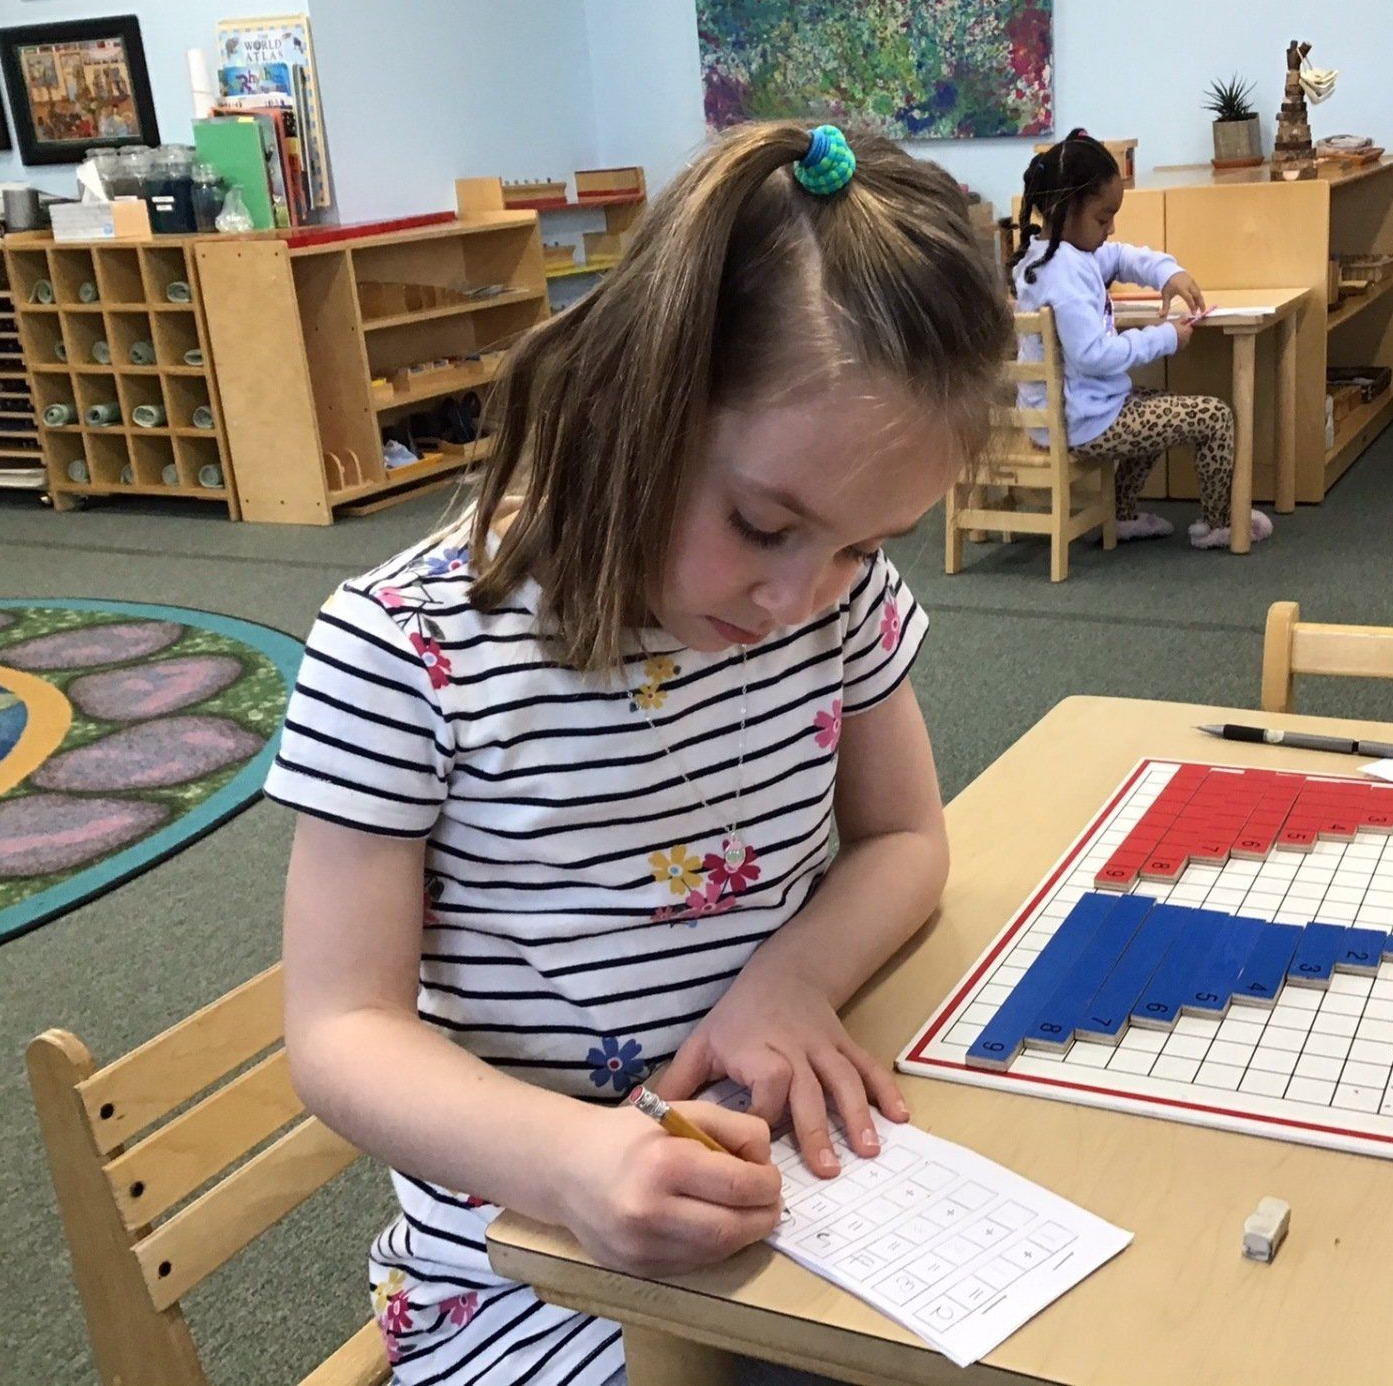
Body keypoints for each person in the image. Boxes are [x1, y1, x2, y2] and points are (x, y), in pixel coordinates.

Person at [269, 122, 1013, 1384]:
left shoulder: (839, 598)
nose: (800, 591)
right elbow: (340, 1028)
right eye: (763, 522)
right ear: (632, 391)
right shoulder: (407, 652)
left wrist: (786, 977)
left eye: (860, 542)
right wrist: (573, 1158)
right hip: (531, 1263)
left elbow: (905, 837)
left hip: (786, 1203)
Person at [1012, 129, 1272, 550]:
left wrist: (1169, 273)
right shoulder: (1065, 273)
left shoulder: (1059, 254)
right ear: (1064, 208)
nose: (1111, 228)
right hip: (1083, 419)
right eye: (1102, 217)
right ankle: (1222, 523)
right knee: (1214, 417)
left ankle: (1122, 516)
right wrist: (1166, 337)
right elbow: (1095, 354)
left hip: (1077, 411)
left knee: (1154, 406)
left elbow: (1123, 256)